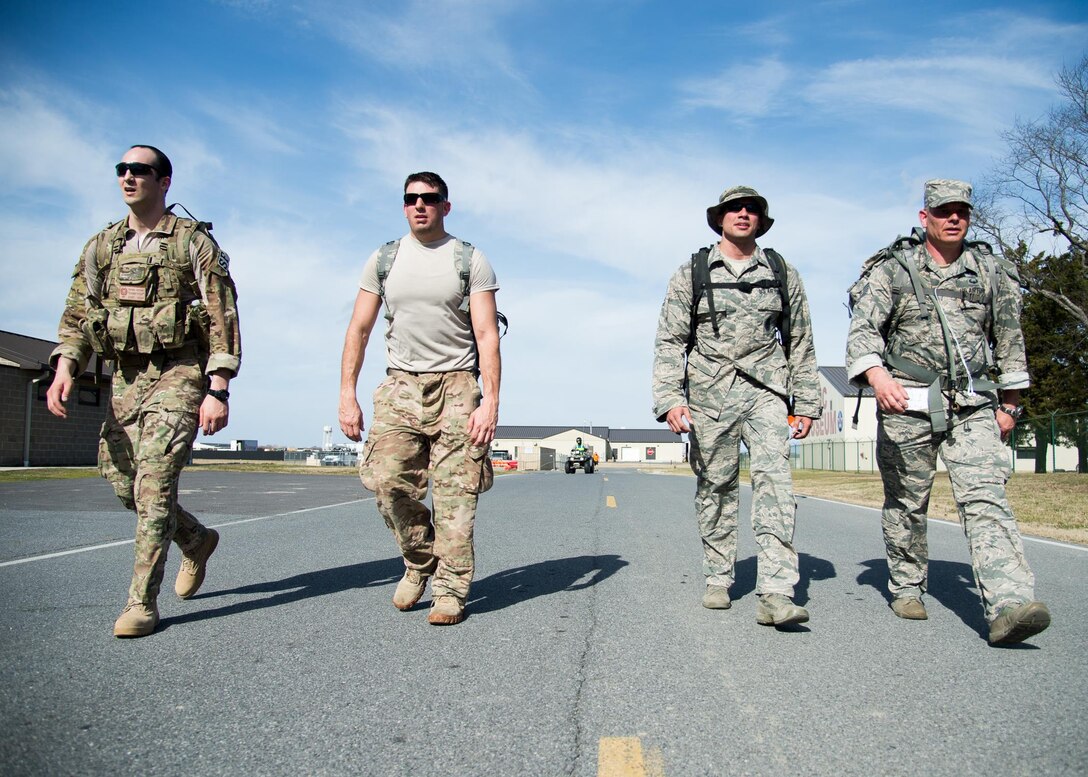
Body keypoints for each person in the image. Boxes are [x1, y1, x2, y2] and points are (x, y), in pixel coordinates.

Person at [46, 145, 241, 638]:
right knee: (124, 482)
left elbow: (222, 317)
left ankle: (140, 604)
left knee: (154, 485)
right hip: (125, 378)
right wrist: (66, 366)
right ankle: (195, 539)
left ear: (164, 181)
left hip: (179, 373)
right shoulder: (101, 247)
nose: (129, 177)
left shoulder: (191, 243)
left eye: (141, 170)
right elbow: (77, 314)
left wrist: (218, 388)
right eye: (123, 170)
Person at [846, 179, 1049, 645]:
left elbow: (1011, 340)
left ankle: (1009, 604)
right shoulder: (893, 269)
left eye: (961, 211)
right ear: (925, 218)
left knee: (986, 498)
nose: (953, 218)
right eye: (943, 211)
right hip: (907, 402)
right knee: (906, 503)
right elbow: (863, 332)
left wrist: (1012, 406)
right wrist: (877, 377)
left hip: (974, 404)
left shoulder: (990, 272)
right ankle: (907, 583)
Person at [652, 185, 822, 626]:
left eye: (752, 209)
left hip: (767, 390)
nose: (743, 214)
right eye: (734, 208)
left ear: (761, 220)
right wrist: (670, 398)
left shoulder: (782, 271)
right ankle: (717, 575)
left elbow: (800, 341)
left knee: (776, 485)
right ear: (720, 218)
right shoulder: (692, 271)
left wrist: (805, 403)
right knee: (716, 486)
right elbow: (671, 341)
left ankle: (776, 591)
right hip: (710, 395)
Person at [339, 172, 501, 626]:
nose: (419, 206)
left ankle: (450, 590)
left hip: (457, 386)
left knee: (456, 494)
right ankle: (419, 559)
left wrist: (489, 400)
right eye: (411, 199)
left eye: (429, 199)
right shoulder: (384, 259)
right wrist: (346, 394)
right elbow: (359, 329)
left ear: (446, 206)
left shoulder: (470, 259)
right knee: (387, 483)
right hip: (401, 385)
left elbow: (488, 335)